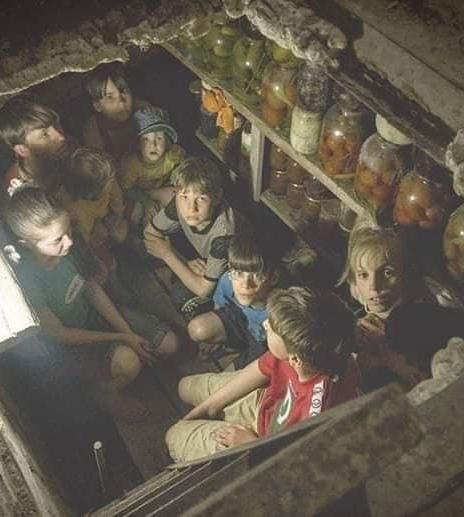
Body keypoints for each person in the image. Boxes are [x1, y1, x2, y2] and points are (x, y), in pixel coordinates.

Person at [2, 186, 182, 419]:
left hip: (92, 318)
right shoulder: (28, 280)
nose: (68, 241)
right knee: (129, 362)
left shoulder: (68, 250)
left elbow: (92, 290)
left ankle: (120, 363)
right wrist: (121, 337)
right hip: (73, 347)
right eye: (57, 240)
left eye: (67, 230)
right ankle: (101, 393)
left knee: (169, 345)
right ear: (27, 243)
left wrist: (128, 333)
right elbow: (62, 335)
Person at [165, 286, 360, 463]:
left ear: (295, 360)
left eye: (272, 329)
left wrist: (251, 444)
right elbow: (261, 368)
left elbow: (292, 465)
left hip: (264, 445)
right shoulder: (309, 350)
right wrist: (210, 406)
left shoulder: (315, 413)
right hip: (266, 404)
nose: (265, 324)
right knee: (185, 387)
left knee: (173, 436)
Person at [339, 217, 464, 391]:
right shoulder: (356, 332)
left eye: (387, 273)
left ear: (407, 273)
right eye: (363, 275)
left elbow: (435, 384)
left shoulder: (427, 318)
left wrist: (387, 354)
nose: (374, 287)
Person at [143, 156, 242, 320]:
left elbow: (204, 290)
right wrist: (184, 261)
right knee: (144, 250)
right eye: (184, 196)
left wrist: (168, 255)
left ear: (217, 197)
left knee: (180, 295)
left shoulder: (224, 235)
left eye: (201, 198)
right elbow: (149, 234)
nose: (191, 208)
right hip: (202, 258)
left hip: (229, 277)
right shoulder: (179, 203)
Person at [187, 232, 280, 368]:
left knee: (238, 371)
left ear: (274, 277)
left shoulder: (278, 311)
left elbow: (268, 350)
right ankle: (231, 346)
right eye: (239, 273)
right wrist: (218, 334)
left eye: (256, 276)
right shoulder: (228, 280)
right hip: (238, 320)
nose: (245, 284)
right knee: (197, 329)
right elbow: (220, 307)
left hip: (262, 343)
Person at [0, 96, 76, 199]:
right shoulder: (14, 189)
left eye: (56, 125)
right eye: (45, 134)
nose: (61, 137)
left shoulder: (70, 146)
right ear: (22, 150)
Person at [119, 106, 185, 227]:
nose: (153, 144)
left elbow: (181, 168)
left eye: (159, 138)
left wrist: (176, 179)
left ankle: (162, 226)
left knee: (176, 197)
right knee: (136, 212)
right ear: (138, 143)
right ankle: (143, 231)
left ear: (167, 141)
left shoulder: (172, 156)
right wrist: (146, 201)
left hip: (159, 189)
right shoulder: (131, 165)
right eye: (146, 139)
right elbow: (127, 189)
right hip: (138, 195)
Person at [82, 63, 148, 161]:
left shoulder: (143, 109)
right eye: (110, 97)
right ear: (97, 106)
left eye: (123, 91)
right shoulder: (93, 132)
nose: (121, 102)